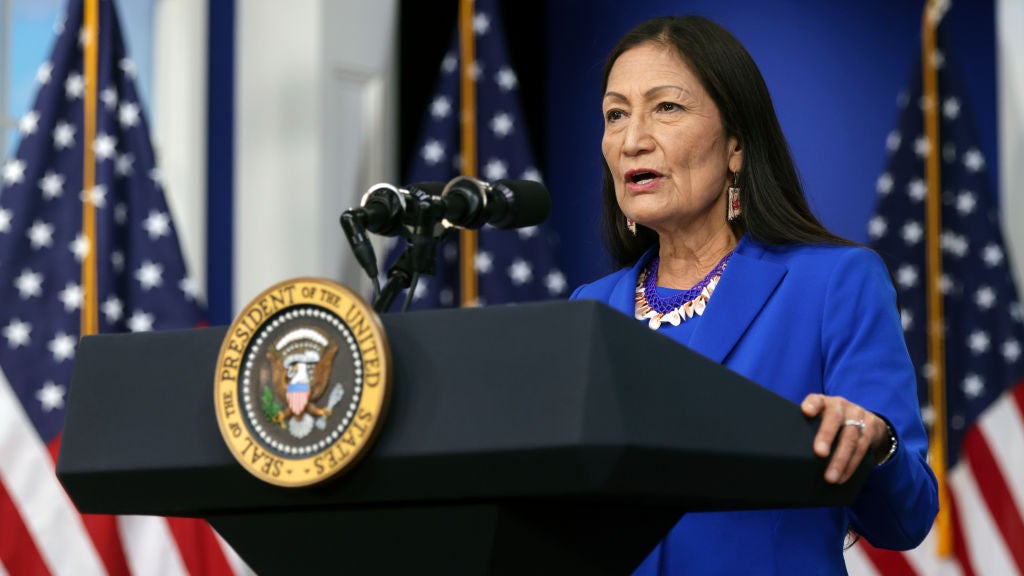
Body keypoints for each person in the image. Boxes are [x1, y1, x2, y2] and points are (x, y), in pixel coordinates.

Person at [569, 16, 938, 574]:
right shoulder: (587, 310)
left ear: (736, 143)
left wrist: (875, 444)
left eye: (666, 107)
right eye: (615, 114)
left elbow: (906, 520)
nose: (632, 138)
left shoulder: (834, 283)